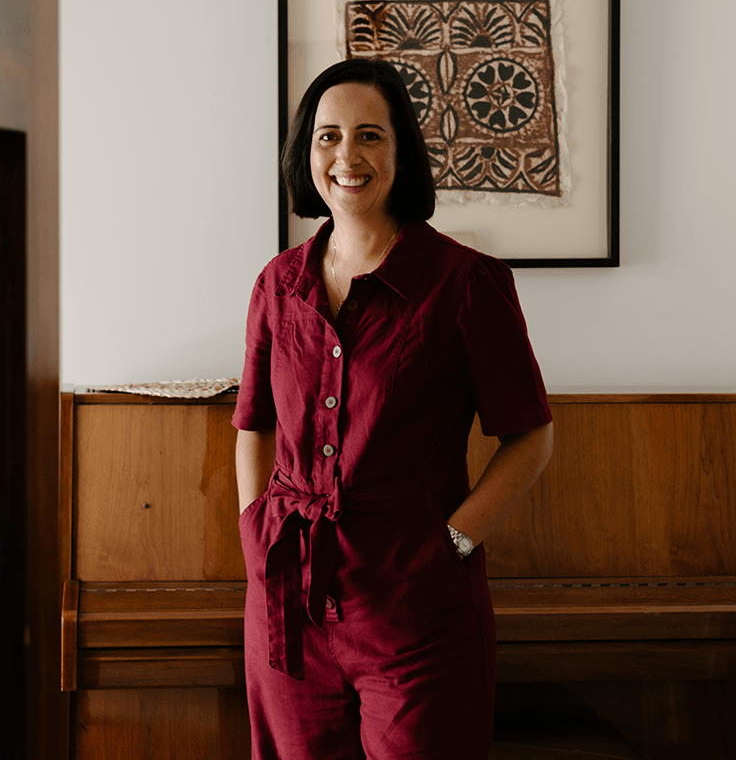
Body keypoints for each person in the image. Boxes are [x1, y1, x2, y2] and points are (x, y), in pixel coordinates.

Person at [232, 57, 554, 760]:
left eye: (370, 136)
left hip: (418, 608)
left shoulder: (467, 285)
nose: (346, 155)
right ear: (305, 151)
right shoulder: (277, 285)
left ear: (402, 152)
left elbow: (530, 438)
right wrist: (256, 531)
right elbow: (253, 424)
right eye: (328, 136)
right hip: (288, 600)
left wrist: (452, 546)